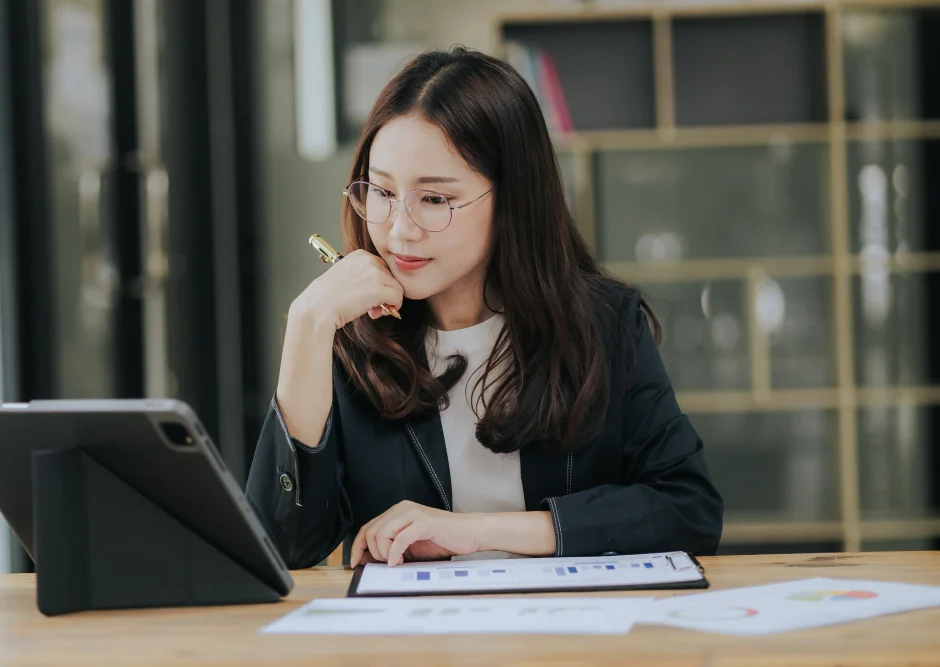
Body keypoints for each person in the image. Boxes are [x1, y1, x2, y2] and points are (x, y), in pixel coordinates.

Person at [245, 46, 723, 569]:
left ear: (511, 199)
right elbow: (280, 548)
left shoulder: (603, 324)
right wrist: (307, 327)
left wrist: (474, 532)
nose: (399, 229)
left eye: (434, 199)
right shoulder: (351, 333)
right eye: (381, 191)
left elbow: (688, 509)